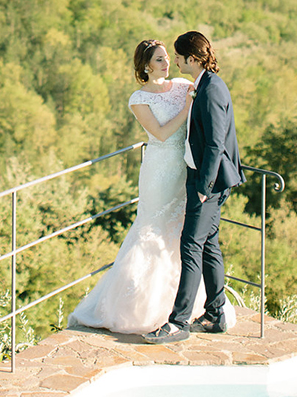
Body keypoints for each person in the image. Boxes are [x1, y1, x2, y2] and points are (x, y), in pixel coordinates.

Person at [68, 39, 202, 334]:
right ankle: (137, 308)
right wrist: (189, 106)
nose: (166, 64)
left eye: (167, 58)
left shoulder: (182, 85)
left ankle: (180, 304)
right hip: (159, 170)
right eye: (159, 60)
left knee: (179, 233)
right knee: (151, 231)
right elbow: (162, 133)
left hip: (185, 168)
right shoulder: (139, 99)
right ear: (145, 65)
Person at [142, 31, 244, 343]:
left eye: (179, 57)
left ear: (192, 58)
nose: (176, 62)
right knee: (209, 243)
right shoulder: (203, 85)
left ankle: (178, 322)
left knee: (191, 244)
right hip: (202, 178)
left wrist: (204, 186)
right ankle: (215, 314)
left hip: (207, 182)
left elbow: (215, 143)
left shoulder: (211, 90)